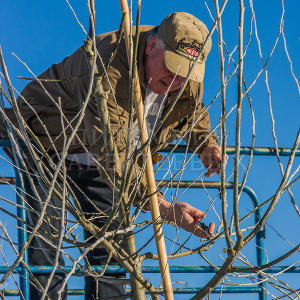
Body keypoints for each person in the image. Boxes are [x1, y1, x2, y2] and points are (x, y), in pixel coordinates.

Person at [0, 12, 228, 299]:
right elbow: (115, 154)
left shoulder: (186, 75)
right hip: (47, 146)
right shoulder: (107, 65)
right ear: (151, 45)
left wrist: (206, 143)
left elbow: (192, 108)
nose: (177, 78)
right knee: (46, 248)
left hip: (104, 164)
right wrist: (165, 209)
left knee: (112, 254)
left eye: (186, 72)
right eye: (172, 67)